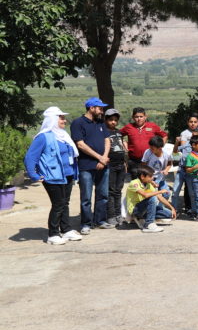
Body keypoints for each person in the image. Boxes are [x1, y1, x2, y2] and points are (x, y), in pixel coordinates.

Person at [24, 107, 82, 245]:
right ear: (53, 119)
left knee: (65, 203)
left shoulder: (63, 135)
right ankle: (53, 234)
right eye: (61, 118)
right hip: (52, 176)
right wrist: (33, 174)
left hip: (67, 175)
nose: (64, 120)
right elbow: (30, 157)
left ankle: (66, 230)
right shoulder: (44, 137)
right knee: (58, 204)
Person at [70, 97, 111, 233]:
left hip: (103, 164)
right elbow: (80, 144)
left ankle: (100, 220)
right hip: (86, 166)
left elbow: (107, 140)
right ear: (91, 108)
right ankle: (86, 223)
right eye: (100, 108)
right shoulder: (78, 123)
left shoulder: (101, 123)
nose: (102, 110)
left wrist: (104, 158)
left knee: (103, 194)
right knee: (86, 197)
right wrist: (99, 158)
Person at [125, 165, 176, 232]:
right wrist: (160, 191)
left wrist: (172, 208)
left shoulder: (148, 184)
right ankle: (148, 225)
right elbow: (146, 195)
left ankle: (144, 218)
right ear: (142, 177)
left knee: (169, 214)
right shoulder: (134, 183)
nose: (152, 178)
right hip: (136, 210)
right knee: (152, 197)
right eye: (150, 176)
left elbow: (160, 197)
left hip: (146, 209)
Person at [120, 107, 168, 178]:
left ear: (145, 117)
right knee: (136, 182)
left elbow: (164, 135)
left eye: (141, 116)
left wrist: (159, 147)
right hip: (134, 161)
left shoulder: (152, 126)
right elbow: (118, 135)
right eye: (136, 117)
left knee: (149, 182)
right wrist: (124, 144)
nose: (139, 119)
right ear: (133, 117)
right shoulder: (128, 127)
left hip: (150, 160)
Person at [103, 108, 130, 227]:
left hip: (120, 164)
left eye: (115, 120)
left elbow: (123, 146)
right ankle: (110, 215)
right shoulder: (103, 132)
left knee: (118, 190)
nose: (113, 122)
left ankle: (118, 214)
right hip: (110, 165)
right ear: (106, 120)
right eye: (110, 120)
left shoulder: (119, 133)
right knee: (111, 190)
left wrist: (125, 162)